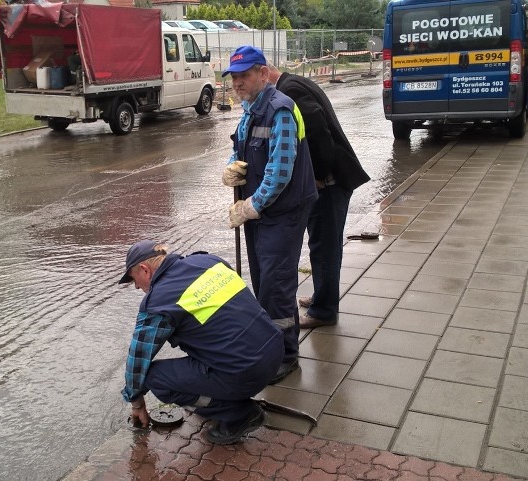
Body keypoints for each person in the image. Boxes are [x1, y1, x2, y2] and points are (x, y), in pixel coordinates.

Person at [119, 240, 284, 444]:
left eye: (134, 280)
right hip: (276, 352)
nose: (136, 286)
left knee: (154, 378)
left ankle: (238, 414)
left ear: (144, 270)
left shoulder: (159, 301)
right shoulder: (208, 260)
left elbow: (138, 358)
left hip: (246, 372)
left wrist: (136, 402)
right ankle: (224, 396)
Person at [221, 46, 317, 384]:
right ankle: (269, 346)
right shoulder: (250, 109)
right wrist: (233, 166)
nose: (238, 82)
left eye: (244, 75)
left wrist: (249, 207)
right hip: (264, 214)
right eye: (234, 77)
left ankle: (286, 356)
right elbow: (243, 146)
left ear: (263, 73)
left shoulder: (280, 111)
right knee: (264, 282)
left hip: (284, 211)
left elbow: (279, 173)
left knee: (275, 285)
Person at [265, 63, 371, 329]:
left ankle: (324, 311)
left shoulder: (290, 92)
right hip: (332, 180)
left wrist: (319, 177)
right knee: (323, 245)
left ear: (266, 74)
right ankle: (322, 296)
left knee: (325, 248)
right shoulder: (293, 83)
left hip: (330, 182)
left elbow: (318, 134)